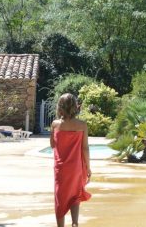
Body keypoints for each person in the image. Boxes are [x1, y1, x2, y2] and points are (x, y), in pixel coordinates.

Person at [51, 93, 91, 227]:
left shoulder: (55, 125)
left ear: (60, 107)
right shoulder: (82, 125)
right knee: (75, 194)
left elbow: (52, 145)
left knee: (60, 197)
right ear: (75, 107)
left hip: (61, 168)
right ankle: (75, 223)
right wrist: (88, 167)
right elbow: (85, 148)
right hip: (76, 167)